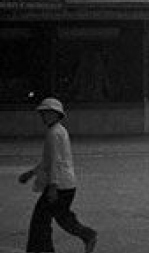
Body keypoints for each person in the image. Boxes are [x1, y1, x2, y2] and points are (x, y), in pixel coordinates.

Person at [18, 98, 98, 253]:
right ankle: (87, 235)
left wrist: (53, 186)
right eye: (43, 113)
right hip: (66, 184)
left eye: (47, 113)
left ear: (56, 114)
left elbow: (55, 161)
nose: (44, 116)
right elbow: (49, 160)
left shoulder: (54, 133)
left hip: (59, 186)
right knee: (61, 217)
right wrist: (31, 173)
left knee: (40, 220)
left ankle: (43, 249)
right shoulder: (59, 130)